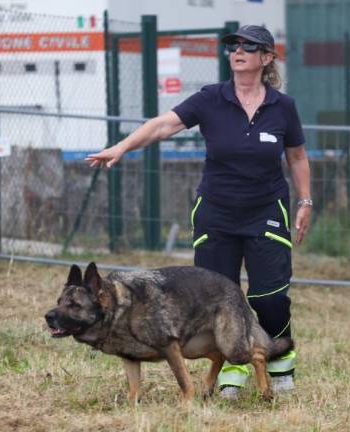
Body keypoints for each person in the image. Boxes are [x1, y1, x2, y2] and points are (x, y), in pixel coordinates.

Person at [86, 25, 311, 397]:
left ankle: (281, 362)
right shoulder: (211, 98)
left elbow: (298, 157)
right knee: (215, 298)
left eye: (248, 46)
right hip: (216, 214)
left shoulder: (282, 107)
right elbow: (163, 125)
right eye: (234, 46)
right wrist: (122, 147)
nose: (238, 51)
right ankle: (233, 368)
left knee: (269, 298)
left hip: (266, 211)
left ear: (267, 57)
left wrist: (304, 201)